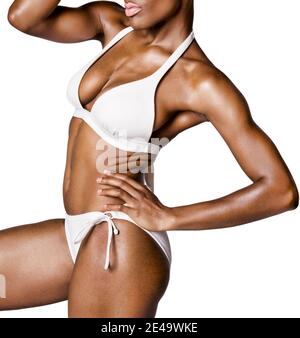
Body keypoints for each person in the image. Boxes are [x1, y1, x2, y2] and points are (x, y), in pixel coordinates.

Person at [1, 0, 298, 318]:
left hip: (121, 242)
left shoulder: (198, 81)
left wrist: (170, 217)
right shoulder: (113, 24)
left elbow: (280, 191)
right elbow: (23, 17)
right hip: (75, 230)